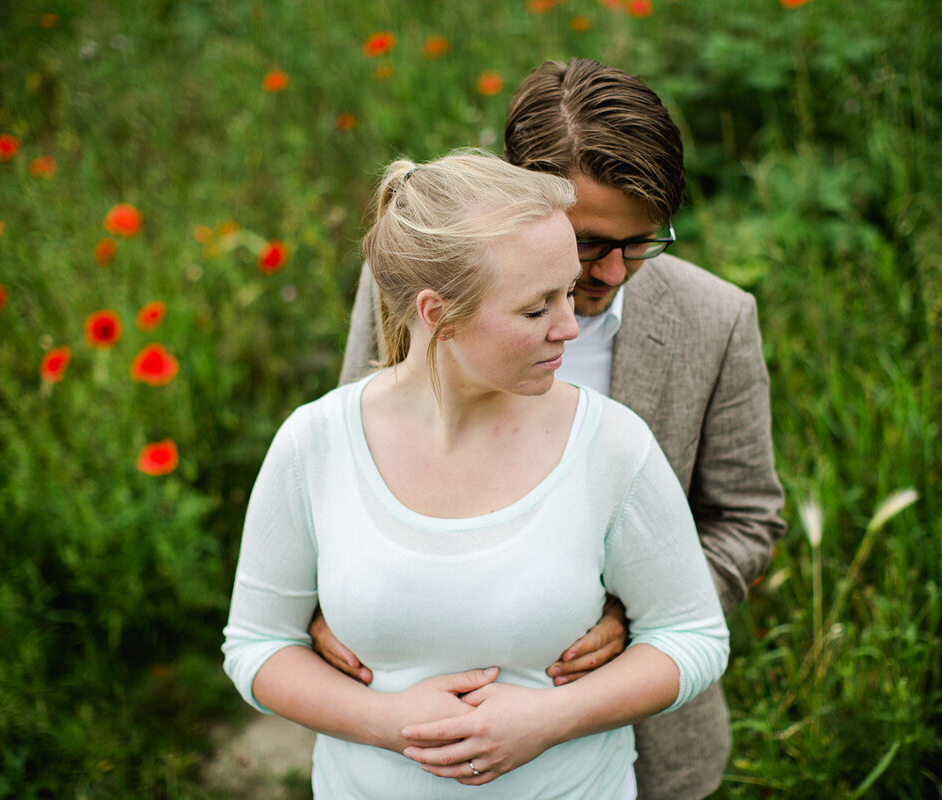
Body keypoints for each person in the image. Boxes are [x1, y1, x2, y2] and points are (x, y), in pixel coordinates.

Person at [320, 58, 787, 799]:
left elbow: (748, 516)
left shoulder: (716, 320)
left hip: (641, 748)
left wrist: (635, 620)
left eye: (641, 242)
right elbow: (343, 468)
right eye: (587, 242)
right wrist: (325, 600)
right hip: (411, 745)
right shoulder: (415, 283)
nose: (611, 274)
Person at [223, 150, 730, 798]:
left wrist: (551, 719)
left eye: (568, 293)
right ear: (439, 315)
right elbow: (258, 646)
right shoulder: (315, 443)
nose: (570, 327)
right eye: (537, 307)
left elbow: (691, 636)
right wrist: (387, 722)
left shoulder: (611, 445)